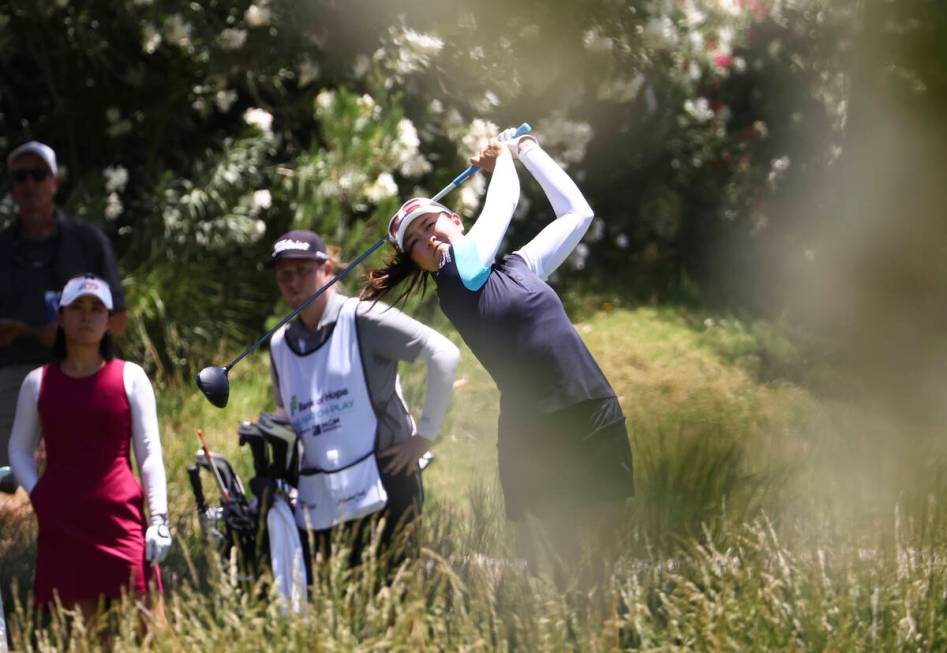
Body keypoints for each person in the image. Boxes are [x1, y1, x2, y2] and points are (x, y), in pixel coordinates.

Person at [362, 130, 635, 572]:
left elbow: (577, 214)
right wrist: (504, 156)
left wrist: (529, 150)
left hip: (590, 408)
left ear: (456, 219)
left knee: (608, 553)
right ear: (417, 262)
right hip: (534, 434)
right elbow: (504, 202)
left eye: (431, 225)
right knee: (548, 565)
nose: (428, 239)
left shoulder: (519, 267)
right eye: (415, 241)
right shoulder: (455, 277)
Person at [266, 230, 460, 575]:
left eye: (302, 270)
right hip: (323, 497)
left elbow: (444, 353)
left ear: (326, 268)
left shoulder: (362, 318)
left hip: (387, 481)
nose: (292, 281)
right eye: (284, 274)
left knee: (398, 599)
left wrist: (425, 436)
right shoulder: (281, 344)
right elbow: (289, 416)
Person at [6, 274, 170, 626]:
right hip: (63, 523)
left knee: (152, 629)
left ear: (110, 321)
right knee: (88, 637)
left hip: (122, 522)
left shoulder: (131, 377)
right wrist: (40, 494)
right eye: (77, 307)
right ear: (60, 318)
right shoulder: (38, 382)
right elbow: (18, 450)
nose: (86, 316)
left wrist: (159, 519)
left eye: (97, 308)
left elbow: (149, 451)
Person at [1, 141, 127, 479]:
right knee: (9, 476)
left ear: (54, 182)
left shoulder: (86, 240)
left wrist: (73, 331)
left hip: (81, 369)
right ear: (13, 186)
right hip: (12, 373)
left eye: (38, 175)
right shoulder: (2, 247)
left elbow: (119, 318)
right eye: (20, 177)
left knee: (89, 473)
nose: (29, 185)